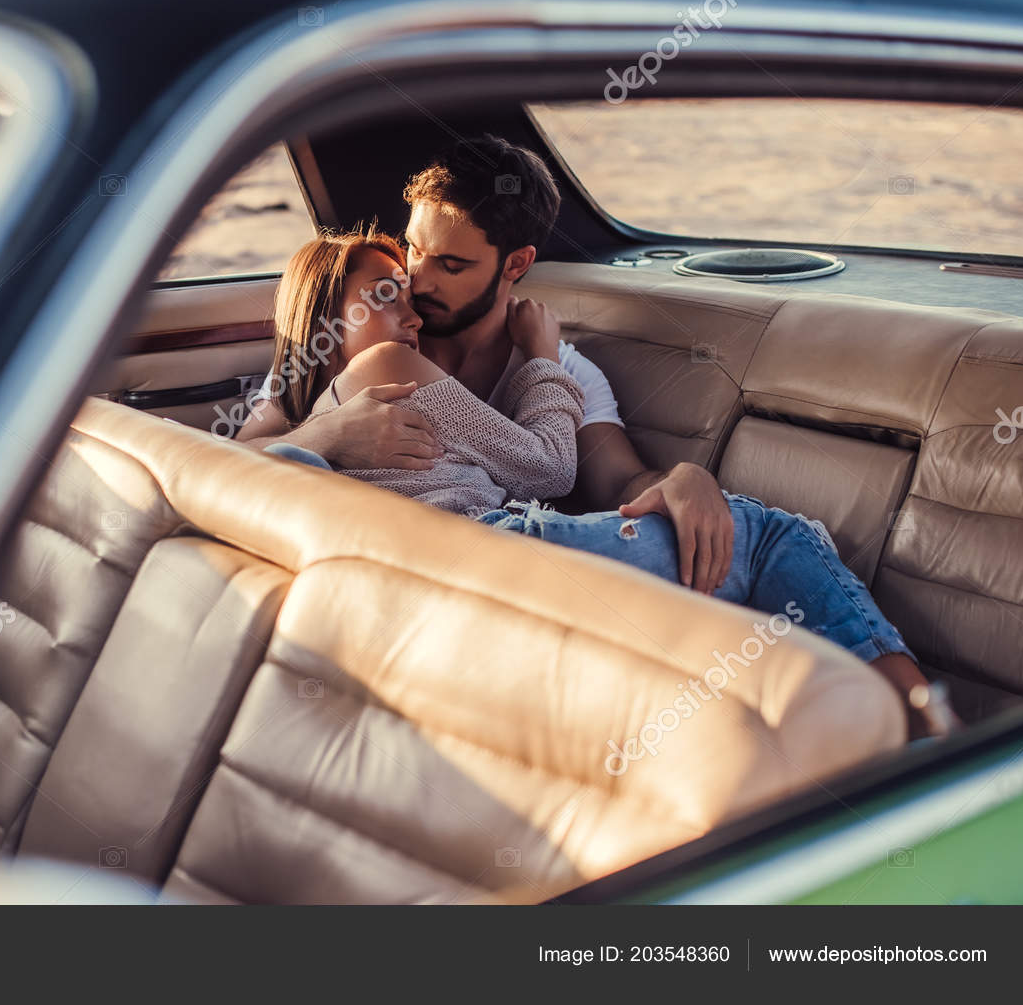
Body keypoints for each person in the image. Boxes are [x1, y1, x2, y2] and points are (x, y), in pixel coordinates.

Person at [247, 228, 958, 742]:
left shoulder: (305, 396)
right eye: (386, 295)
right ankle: (934, 735)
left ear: (514, 266)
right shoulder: (375, 374)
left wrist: (317, 434)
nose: (413, 308)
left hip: (436, 582)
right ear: (320, 319)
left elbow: (228, 466)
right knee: (775, 534)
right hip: (492, 554)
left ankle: (857, 726)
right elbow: (549, 468)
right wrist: (541, 358)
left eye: (427, 279)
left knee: (743, 572)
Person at [238, 133, 735, 596]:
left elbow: (618, 484)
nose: (417, 278)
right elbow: (235, 458)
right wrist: (327, 435)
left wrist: (685, 479)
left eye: (451, 265)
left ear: (515, 265)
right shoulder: (365, 336)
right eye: (413, 247)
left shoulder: (562, 370)